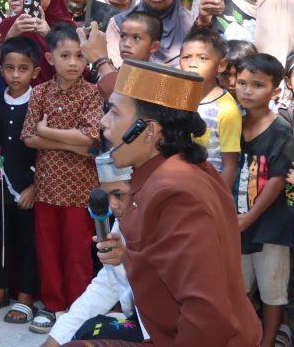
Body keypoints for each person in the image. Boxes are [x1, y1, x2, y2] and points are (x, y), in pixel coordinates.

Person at [102, 59, 260, 346]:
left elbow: (207, 313)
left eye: (113, 113)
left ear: (148, 132)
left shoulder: (174, 191)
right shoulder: (183, 169)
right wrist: (128, 255)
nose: (103, 123)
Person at [21, 25, 102, 335]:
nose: (73, 62)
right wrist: (72, 143)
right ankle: (53, 305)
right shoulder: (39, 92)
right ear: (49, 58)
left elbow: (91, 139)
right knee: (48, 249)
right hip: (47, 186)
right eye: (65, 55)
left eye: (79, 56)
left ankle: (77, 308)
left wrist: (48, 132)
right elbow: (28, 138)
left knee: (78, 251)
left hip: (81, 189)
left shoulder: (92, 93)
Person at [43, 154, 146, 345]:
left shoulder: (162, 223)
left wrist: (128, 258)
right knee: (88, 329)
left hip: (162, 330)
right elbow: (106, 287)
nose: (112, 205)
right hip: (138, 320)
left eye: (118, 194)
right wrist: (55, 338)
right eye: (107, 196)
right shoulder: (119, 226)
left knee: (95, 334)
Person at [0, 37, 40, 325]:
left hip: (29, 187)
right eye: (9, 68)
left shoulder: (40, 103)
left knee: (28, 240)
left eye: (23, 68)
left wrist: (35, 187)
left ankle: (25, 296)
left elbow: (45, 152)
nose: (15, 75)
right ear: (0, 69)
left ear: (35, 72)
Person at [233, 53, 294, 347]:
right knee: (240, 287)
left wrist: (248, 218)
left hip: (270, 226)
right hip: (237, 222)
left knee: (273, 291)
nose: (246, 90)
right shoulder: (233, 122)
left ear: (276, 91)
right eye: (241, 82)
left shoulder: (281, 129)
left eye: (257, 85)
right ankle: (248, 336)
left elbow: (277, 179)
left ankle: (269, 341)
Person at [180, 29, 241, 190]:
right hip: (178, 185)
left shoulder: (227, 109)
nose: (192, 64)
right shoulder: (177, 99)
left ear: (221, 65)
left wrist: (218, 201)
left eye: (202, 58)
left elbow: (230, 166)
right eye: (186, 57)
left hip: (209, 189)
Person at [0, 0, 76, 85]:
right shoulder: (9, 25)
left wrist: (50, 36)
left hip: (57, 98)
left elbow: (78, 69)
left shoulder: (67, 26)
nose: (35, 0)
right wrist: (10, 36)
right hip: (17, 97)